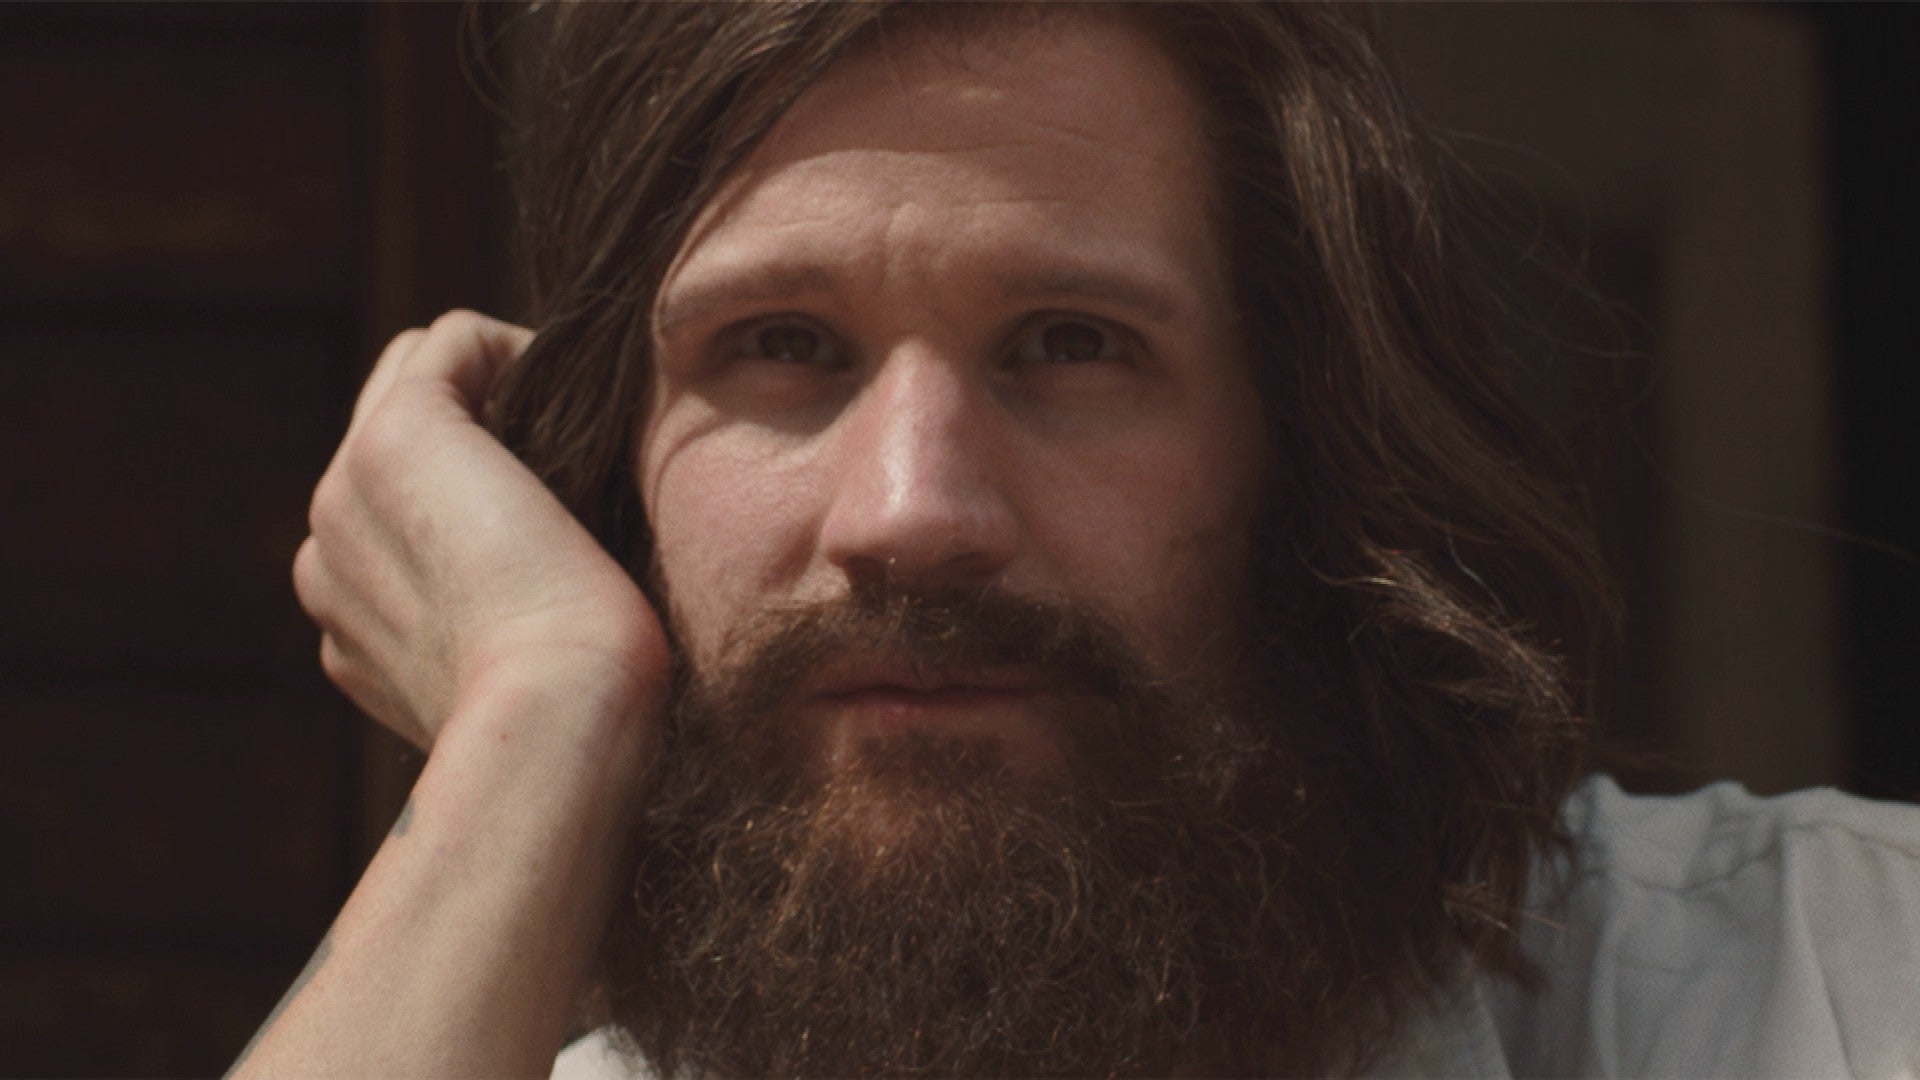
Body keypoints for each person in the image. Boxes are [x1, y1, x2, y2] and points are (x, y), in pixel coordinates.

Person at [233, 3, 1920, 1077]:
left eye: (1070, 344)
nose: (913, 514)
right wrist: (542, 711)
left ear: (1302, 445)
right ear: (610, 474)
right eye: (781, 347)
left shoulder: (1841, 988)